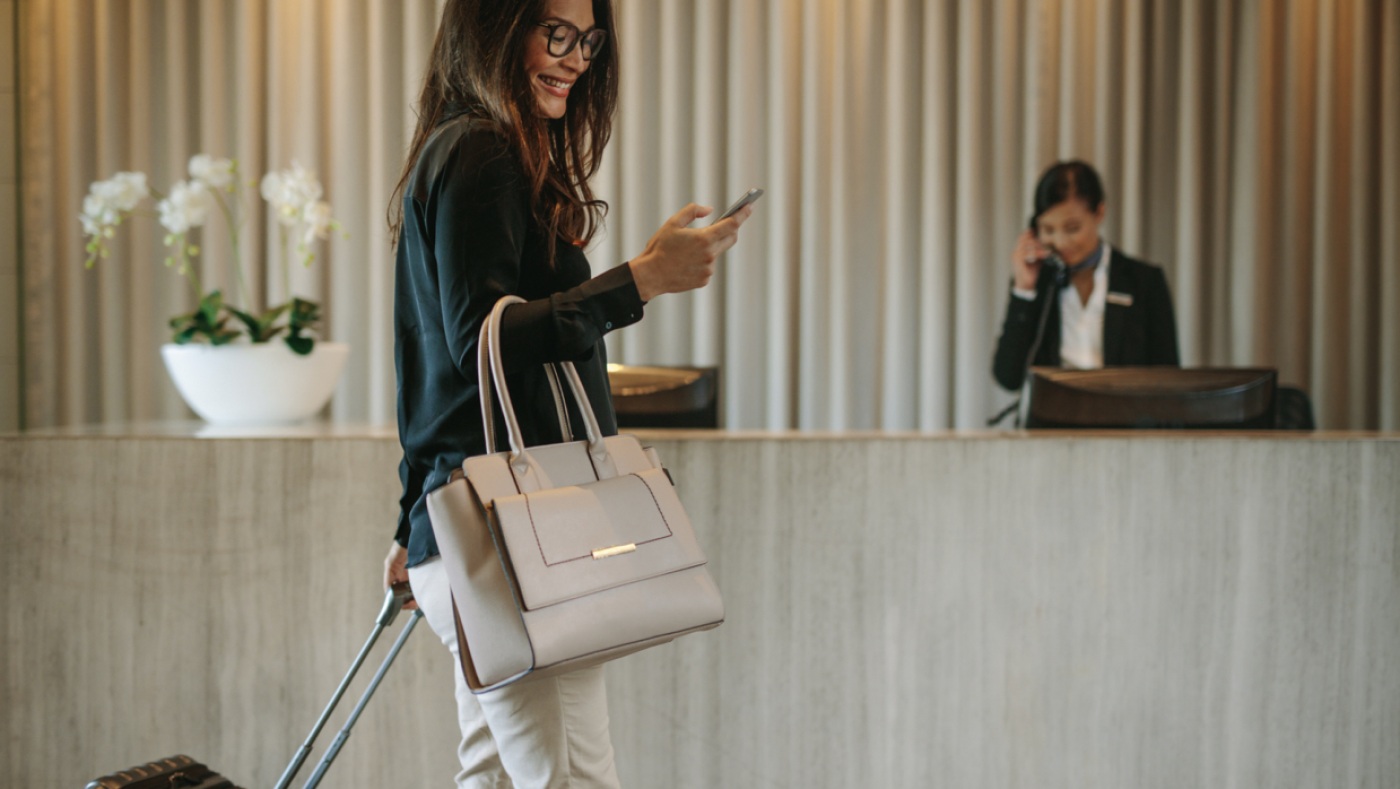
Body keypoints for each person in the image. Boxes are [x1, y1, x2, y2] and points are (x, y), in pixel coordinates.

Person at [381, 1, 755, 786]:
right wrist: (642, 280)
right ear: (495, 23)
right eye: (556, 31)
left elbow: (435, 369)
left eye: (588, 40)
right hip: (512, 548)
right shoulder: (485, 149)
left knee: (491, 773)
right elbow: (485, 343)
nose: (577, 57)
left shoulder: (458, 146)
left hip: (474, 538)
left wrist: (414, 523)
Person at [992, 160, 1180, 393]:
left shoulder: (1144, 281)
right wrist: (1024, 290)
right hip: (1051, 423)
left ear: (1099, 212)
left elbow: (1168, 379)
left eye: (1072, 228)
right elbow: (1008, 378)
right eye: (1048, 230)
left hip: (1124, 422)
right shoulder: (1038, 283)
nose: (1060, 242)